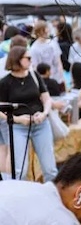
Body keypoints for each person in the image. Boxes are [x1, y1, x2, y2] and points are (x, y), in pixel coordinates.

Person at [0, 46, 57, 181]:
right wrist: (17, 119)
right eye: (28, 58)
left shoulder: (34, 76)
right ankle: (18, 193)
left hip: (40, 124)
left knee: (50, 168)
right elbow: (1, 108)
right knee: (19, 170)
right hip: (18, 127)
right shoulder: (5, 82)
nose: (31, 61)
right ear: (17, 59)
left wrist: (44, 113)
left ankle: (52, 192)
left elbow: (46, 98)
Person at [28, 20, 65, 87]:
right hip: (44, 83)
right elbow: (35, 68)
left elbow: (59, 63)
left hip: (57, 79)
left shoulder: (53, 43)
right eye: (45, 29)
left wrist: (62, 79)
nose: (47, 31)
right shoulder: (34, 48)